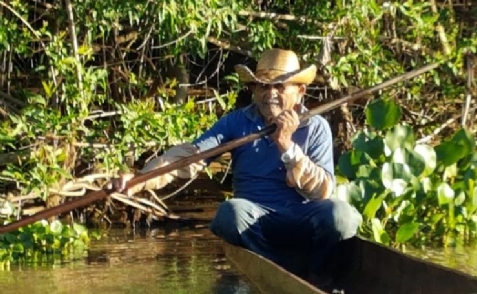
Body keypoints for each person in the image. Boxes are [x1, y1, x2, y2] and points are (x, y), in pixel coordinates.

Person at [117, 48, 362, 288]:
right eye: (263, 86)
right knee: (230, 212)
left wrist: (287, 146)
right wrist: (140, 179)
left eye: (279, 86)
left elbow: (321, 191)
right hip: (255, 221)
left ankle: (317, 273)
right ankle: (270, 268)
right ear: (254, 90)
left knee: (341, 215)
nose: (270, 94)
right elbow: (191, 156)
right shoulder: (237, 122)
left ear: (300, 91)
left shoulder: (316, 126)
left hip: (302, 219)